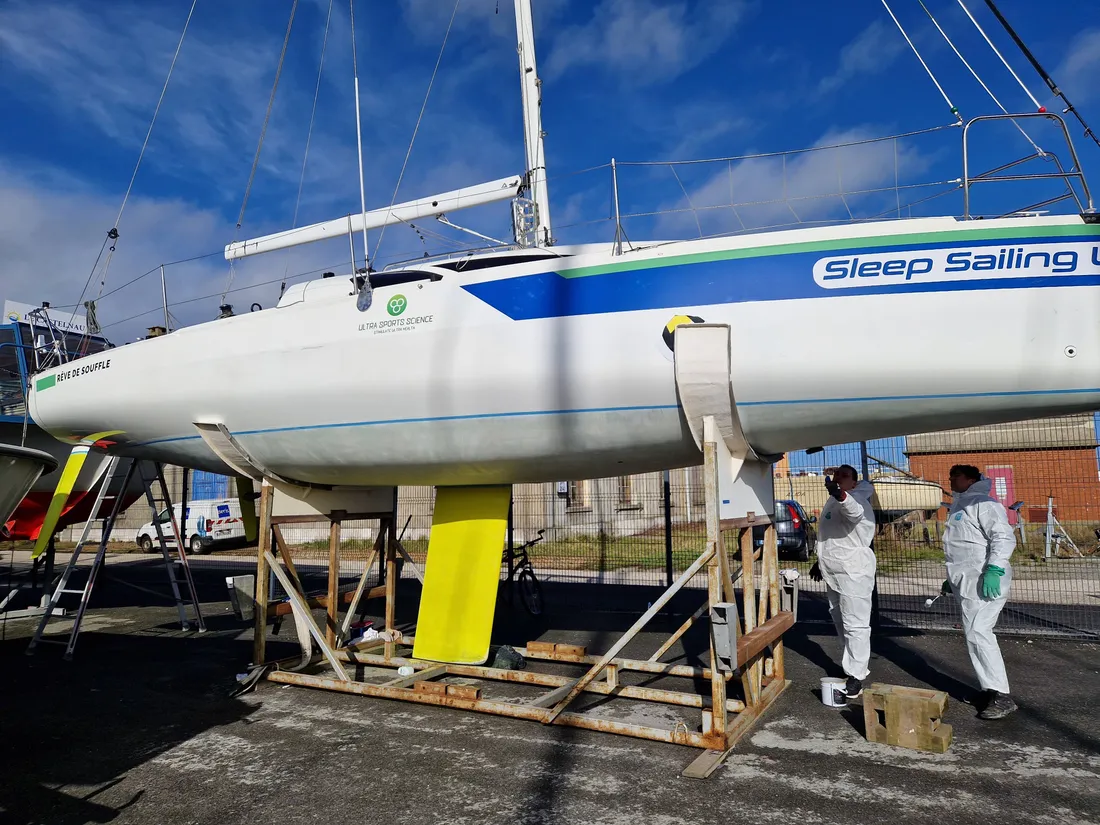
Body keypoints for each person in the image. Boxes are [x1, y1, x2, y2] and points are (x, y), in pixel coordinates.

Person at [941, 464, 1017, 720]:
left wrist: (994, 569)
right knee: (974, 634)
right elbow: (961, 548)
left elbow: (1003, 538)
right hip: (969, 580)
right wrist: (950, 580)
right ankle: (989, 689)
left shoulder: (984, 504)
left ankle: (1001, 696)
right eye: (951, 476)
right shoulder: (961, 505)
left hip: (985, 578)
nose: (951, 480)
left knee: (980, 633)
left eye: (956, 476)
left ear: (971, 479)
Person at [809, 464, 877, 700]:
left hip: (853, 572)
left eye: (844, 476)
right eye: (837, 475)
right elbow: (830, 535)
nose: (838, 478)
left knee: (855, 625)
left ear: (854, 482)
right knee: (840, 620)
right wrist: (820, 562)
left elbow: (854, 512)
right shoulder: (833, 500)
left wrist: (840, 494)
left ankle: (857, 676)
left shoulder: (857, 499)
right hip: (835, 571)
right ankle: (850, 668)